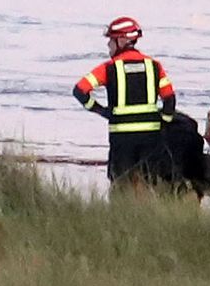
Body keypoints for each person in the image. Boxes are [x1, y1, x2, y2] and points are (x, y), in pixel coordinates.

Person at [73, 16, 178, 187]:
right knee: (149, 184)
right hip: (150, 138)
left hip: (121, 138)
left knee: (120, 184)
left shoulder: (108, 68)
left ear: (121, 40)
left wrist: (102, 111)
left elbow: (80, 90)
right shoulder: (154, 66)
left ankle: (120, 213)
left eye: (111, 40)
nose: (108, 45)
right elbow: (170, 100)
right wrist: (163, 124)